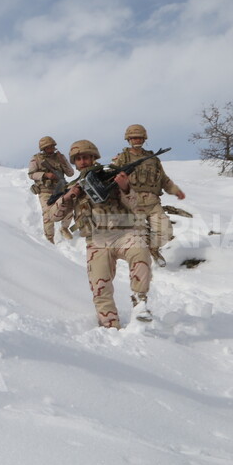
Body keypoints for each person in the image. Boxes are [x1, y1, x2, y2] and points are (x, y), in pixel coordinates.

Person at [52, 140, 152, 328]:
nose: (83, 161)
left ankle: (140, 303)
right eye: (79, 158)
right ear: (75, 162)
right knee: (100, 287)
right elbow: (56, 216)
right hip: (97, 241)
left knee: (140, 252)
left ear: (94, 158)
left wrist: (125, 187)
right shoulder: (73, 187)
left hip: (123, 234)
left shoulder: (110, 175)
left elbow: (136, 205)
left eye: (86, 157)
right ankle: (110, 327)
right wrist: (68, 196)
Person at [111, 124, 185, 267]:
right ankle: (141, 260)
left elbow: (163, 179)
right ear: (128, 139)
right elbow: (113, 179)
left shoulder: (153, 159)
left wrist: (176, 191)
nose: (137, 140)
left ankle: (154, 249)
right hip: (133, 202)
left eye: (139, 137)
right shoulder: (123, 158)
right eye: (133, 138)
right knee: (138, 235)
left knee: (166, 231)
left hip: (152, 202)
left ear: (144, 138)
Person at [28, 136, 74, 243]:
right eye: (48, 147)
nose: (51, 149)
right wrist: (45, 175)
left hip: (61, 188)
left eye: (52, 146)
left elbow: (70, 173)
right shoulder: (37, 159)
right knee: (48, 214)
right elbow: (31, 174)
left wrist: (63, 161)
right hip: (45, 190)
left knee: (69, 208)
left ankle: (64, 228)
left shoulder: (59, 157)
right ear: (43, 148)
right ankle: (49, 240)